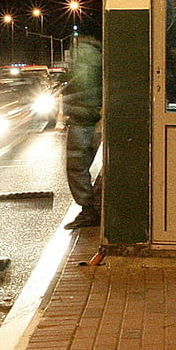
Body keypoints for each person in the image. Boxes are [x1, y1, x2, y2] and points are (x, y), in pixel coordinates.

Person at [61, 33, 102, 229]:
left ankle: (88, 210)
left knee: (77, 164)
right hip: (92, 115)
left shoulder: (84, 57)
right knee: (84, 162)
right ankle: (91, 207)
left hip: (82, 117)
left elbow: (82, 87)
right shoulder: (97, 54)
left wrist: (70, 104)